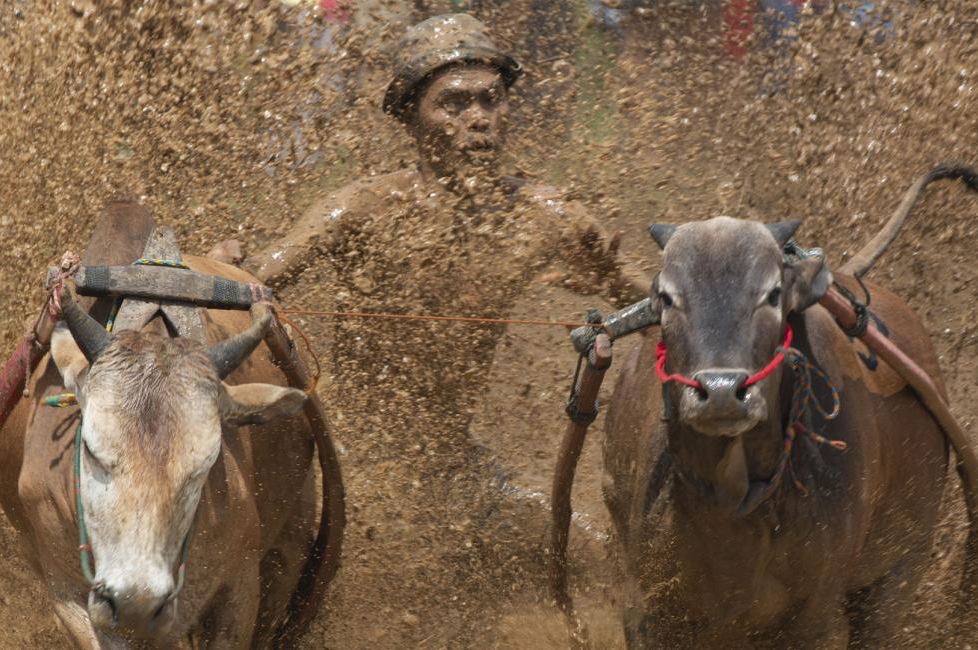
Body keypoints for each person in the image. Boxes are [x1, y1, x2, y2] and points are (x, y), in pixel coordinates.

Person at [212, 13, 651, 644]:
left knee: (590, 551)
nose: (478, 118)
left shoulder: (544, 217)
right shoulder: (362, 206)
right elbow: (255, 287)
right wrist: (228, 265)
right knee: (294, 598)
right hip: (344, 464)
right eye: (454, 103)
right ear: (412, 116)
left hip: (459, 469)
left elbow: (657, 304)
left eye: (491, 101)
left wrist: (620, 281)